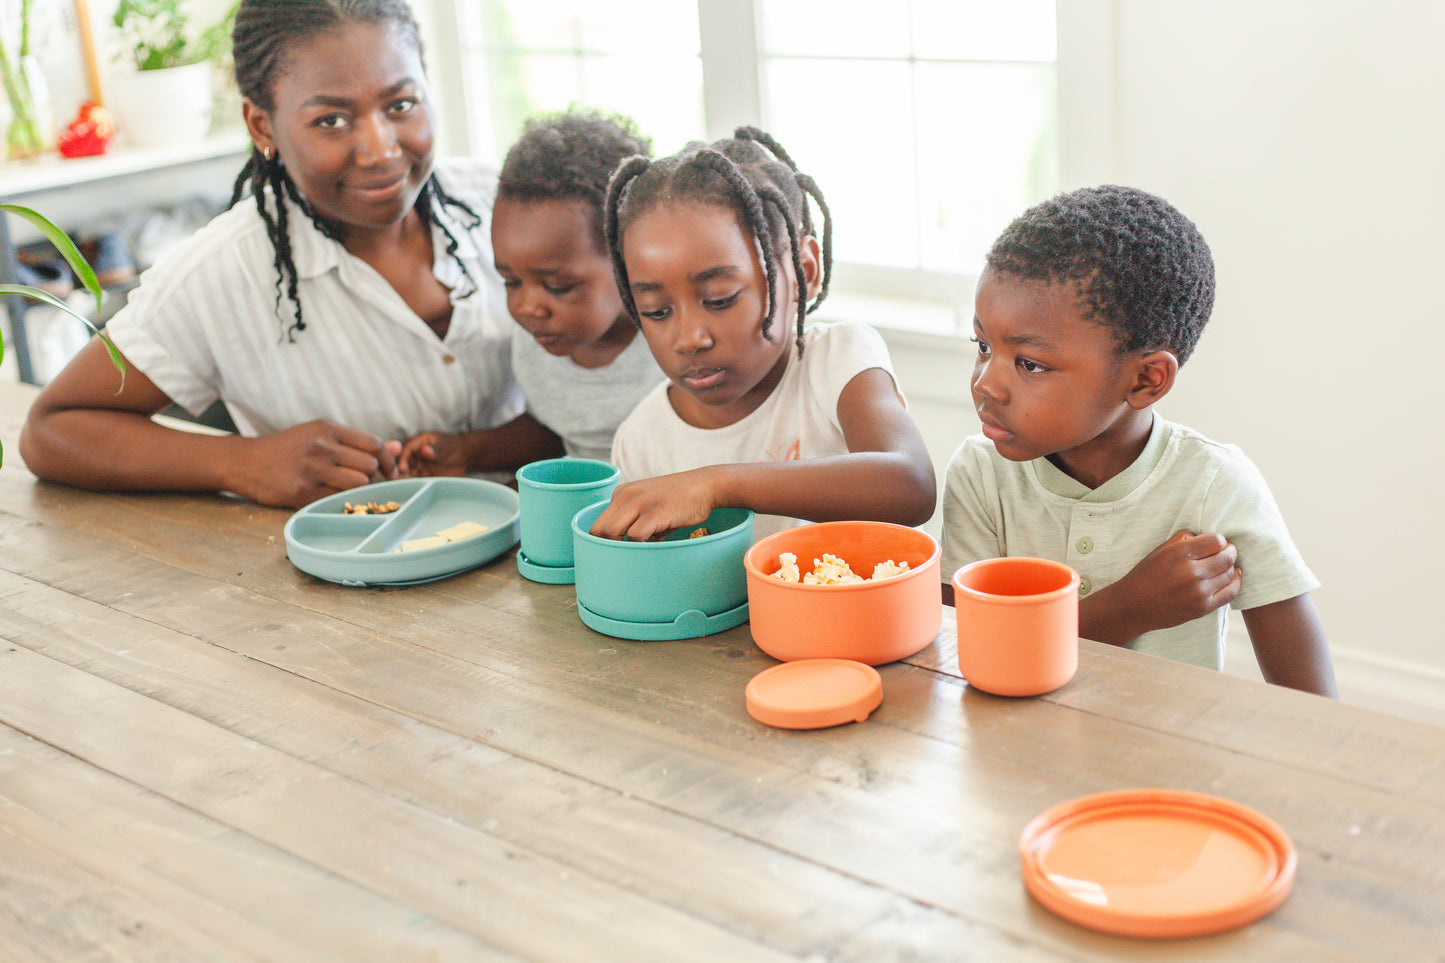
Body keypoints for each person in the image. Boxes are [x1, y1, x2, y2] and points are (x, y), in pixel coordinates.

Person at [19, 0, 557, 509]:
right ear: (262, 126)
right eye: (331, 121)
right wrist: (242, 462)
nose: (381, 149)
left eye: (401, 105)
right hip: (348, 588)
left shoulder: (505, 204)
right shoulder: (221, 273)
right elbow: (53, 429)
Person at [939, 185, 1337, 697]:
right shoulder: (980, 474)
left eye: (1030, 363)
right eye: (983, 345)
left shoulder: (1213, 485)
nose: (985, 384)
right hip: (1006, 757)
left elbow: (1314, 703)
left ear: (1146, 379)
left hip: (1167, 767)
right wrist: (1129, 608)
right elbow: (964, 653)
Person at [589, 127, 936, 543]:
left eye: (719, 299)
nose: (689, 338)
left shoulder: (838, 360)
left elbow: (912, 485)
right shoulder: (642, 439)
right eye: (656, 311)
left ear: (803, 272)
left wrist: (715, 485)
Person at [397, 108, 663, 471]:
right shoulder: (540, 339)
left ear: (631, 255)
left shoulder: (675, 343)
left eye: (558, 286)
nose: (527, 307)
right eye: (511, 281)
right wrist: (472, 450)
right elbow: (558, 428)